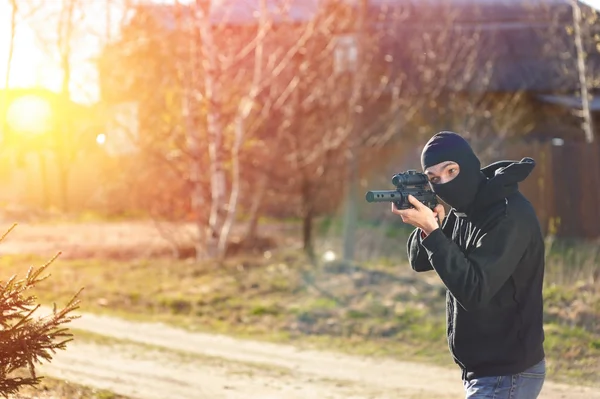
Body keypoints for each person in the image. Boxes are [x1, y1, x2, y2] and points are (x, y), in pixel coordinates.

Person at [392, 131, 546, 399]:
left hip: (508, 372)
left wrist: (434, 231)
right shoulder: (466, 208)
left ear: (470, 164)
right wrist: (430, 227)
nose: (445, 183)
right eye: (434, 179)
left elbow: (474, 291)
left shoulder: (509, 215)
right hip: (483, 371)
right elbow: (419, 261)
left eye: (451, 170)